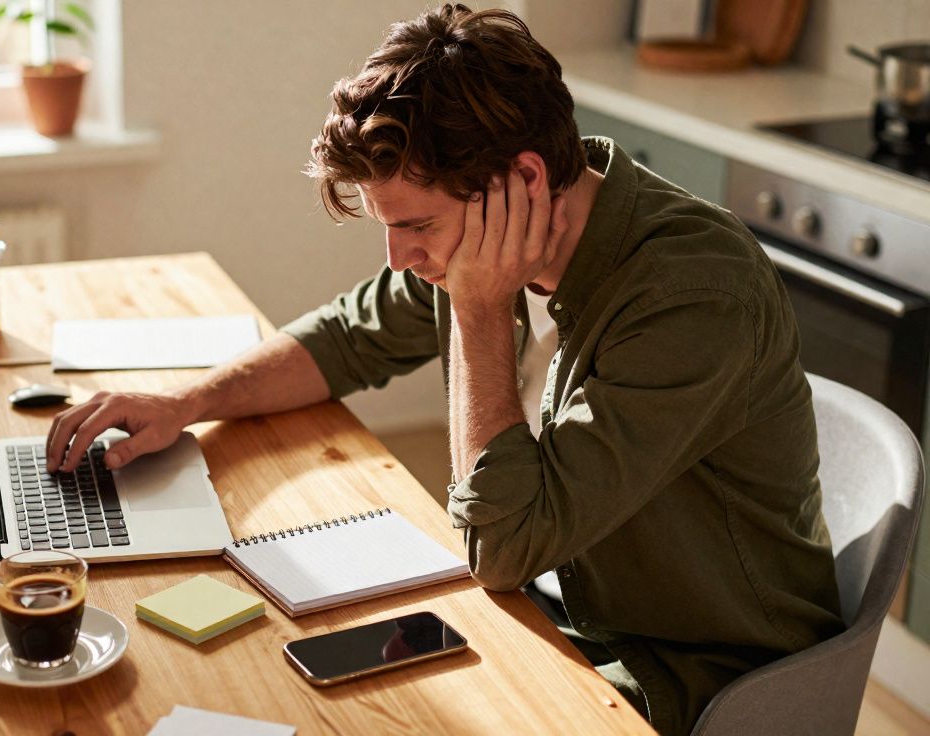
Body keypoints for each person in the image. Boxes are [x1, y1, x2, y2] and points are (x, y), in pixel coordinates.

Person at [45, 5, 843, 733]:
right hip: (556, 602)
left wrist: (480, 312)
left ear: (525, 179)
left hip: (693, 669)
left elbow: (502, 547)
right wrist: (186, 402)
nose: (400, 257)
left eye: (417, 225)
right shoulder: (489, 235)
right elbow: (345, 339)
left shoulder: (690, 295)